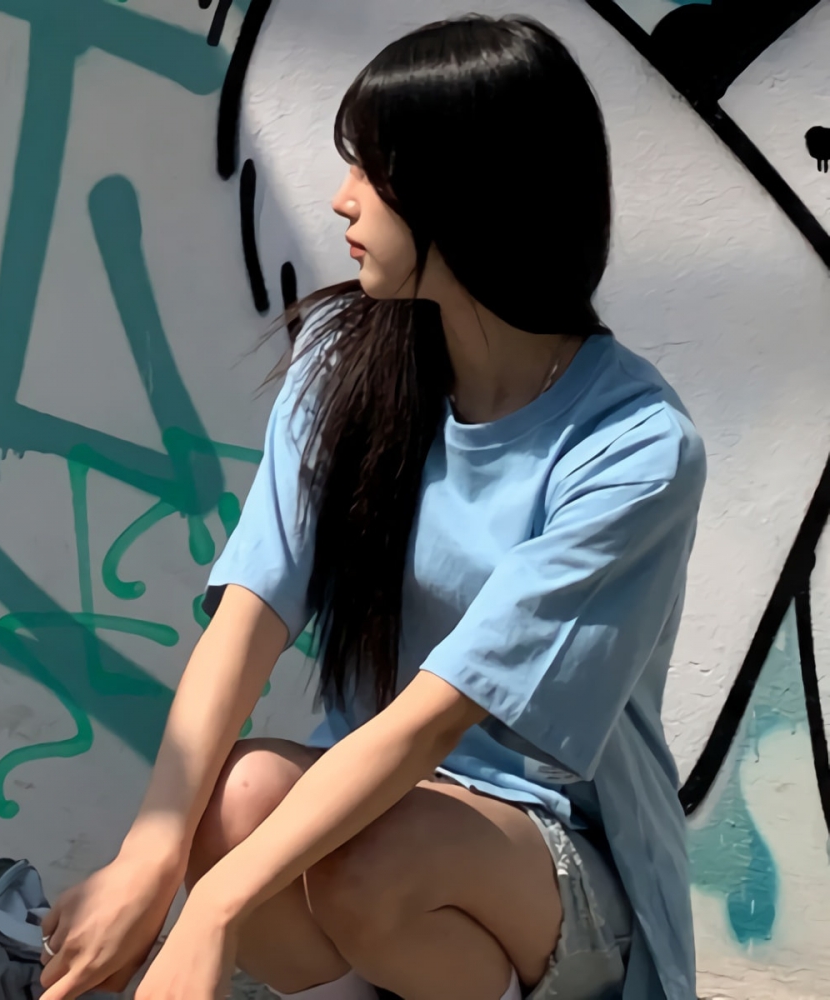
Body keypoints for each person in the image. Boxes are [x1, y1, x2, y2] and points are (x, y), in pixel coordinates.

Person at [37, 15, 706, 1000]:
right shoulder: (348, 361)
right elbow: (250, 613)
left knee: (372, 859)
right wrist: (152, 852)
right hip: (384, 824)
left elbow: (436, 719)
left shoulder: (634, 448)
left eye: (375, 172)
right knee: (235, 797)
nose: (341, 198)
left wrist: (211, 907)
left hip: (555, 870)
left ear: (470, 194)